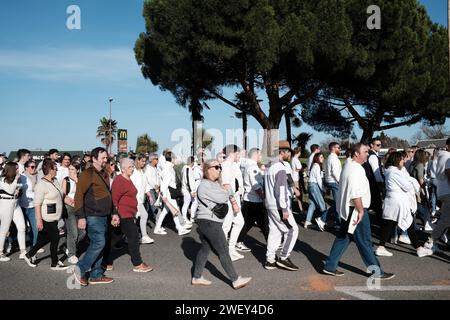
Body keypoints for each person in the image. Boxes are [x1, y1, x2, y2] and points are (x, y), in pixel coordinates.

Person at [323, 143, 395, 280]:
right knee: (365, 241)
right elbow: (355, 193)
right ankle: (376, 271)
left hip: (349, 209)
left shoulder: (348, 165)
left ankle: (329, 266)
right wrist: (361, 210)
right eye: (365, 151)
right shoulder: (356, 169)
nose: (368, 153)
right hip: (356, 209)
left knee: (343, 238)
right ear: (356, 154)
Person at [192, 159, 252, 289]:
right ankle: (235, 280)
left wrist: (226, 190)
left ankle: (196, 277)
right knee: (223, 250)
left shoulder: (214, 184)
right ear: (208, 169)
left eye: (220, 167)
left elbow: (227, 192)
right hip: (209, 222)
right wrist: (226, 190)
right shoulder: (204, 185)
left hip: (211, 222)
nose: (219, 169)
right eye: (216, 167)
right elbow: (222, 198)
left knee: (204, 249)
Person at [376, 152, 433, 258]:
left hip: (394, 201)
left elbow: (408, 181)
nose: (404, 161)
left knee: (389, 224)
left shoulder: (394, 171)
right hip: (398, 201)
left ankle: (381, 247)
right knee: (408, 222)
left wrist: (410, 181)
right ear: (396, 160)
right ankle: (419, 248)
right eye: (402, 159)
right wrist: (411, 182)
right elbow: (407, 186)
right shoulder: (394, 173)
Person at [73, 147, 114, 286]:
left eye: (106, 157)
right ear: (94, 158)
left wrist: (114, 213)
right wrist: (81, 217)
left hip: (104, 215)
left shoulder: (105, 173)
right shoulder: (87, 174)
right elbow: (78, 195)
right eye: (102, 158)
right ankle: (80, 268)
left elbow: (109, 194)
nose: (105, 160)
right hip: (92, 215)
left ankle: (96, 275)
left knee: (101, 244)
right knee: (99, 242)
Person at [109, 158, 153, 273]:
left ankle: (106, 261)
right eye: (130, 167)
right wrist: (115, 214)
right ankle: (137, 263)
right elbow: (114, 199)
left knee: (114, 238)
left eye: (133, 166)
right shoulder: (119, 180)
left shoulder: (128, 179)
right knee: (134, 237)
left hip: (129, 213)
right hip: (123, 215)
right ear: (123, 168)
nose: (132, 169)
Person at [24, 159, 69, 270]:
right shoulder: (41, 185)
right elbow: (37, 204)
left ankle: (29, 254)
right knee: (55, 238)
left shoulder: (55, 181)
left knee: (47, 237)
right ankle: (54, 263)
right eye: (55, 168)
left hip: (55, 216)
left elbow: (61, 195)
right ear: (49, 170)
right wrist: (38, 220)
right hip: (47, 216)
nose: (57, 170)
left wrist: (70, 201)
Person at [264, 140, 299, 271]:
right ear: (282, 152)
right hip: (278, 205)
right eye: (289, 151)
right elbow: (281, 190)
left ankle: (270, 260)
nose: (290, 154)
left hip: (270, 203)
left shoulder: (269, 166)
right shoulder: (280, 167)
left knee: (275, 231)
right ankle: (283, 258)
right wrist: (284, 208)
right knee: (292, 230)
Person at [238, 148, 267, 250]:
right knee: (261, 223)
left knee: (251, 223)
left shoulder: (250, 166)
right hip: (253, 200)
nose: (261, 157)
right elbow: (256, 186)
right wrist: (263, 197)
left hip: (252, 200)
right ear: (256, 155)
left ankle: (238, 240)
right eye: (260, 155)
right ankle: (237, 241)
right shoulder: (252, 167)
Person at [220, 144, 246, 261]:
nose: (239, 156)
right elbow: (226, 185)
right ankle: (225, 253)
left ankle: (231, 249)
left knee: (239, 222)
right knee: (226, 226)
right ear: (232, 153)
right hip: (228, 200)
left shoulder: (232, 165)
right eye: (238, 154)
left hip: (234, 199)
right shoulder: (226, 165)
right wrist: (234, 202)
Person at [425, 137, 450, 252]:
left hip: (442, 190)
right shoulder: (448, 157)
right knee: (445, 219)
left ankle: (434, 239)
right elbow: (449, 173)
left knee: (446, 218)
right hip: (447, 190)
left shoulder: (441, 156)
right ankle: (431, 240)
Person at [0, 162, 27, 262]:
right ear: (11, 169)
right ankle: (0, 252)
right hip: (5, 204)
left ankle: (23, 251)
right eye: (16, 168)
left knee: (22, 227)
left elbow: (17, 189)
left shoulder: (17, 178)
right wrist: (16, 180)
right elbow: (10, 190)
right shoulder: (2, 179)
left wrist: (18, 187)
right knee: (4, 229)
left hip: (15, 203)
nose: (18, 170)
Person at [62, 161, 85, 264]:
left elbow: (83, 193)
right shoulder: (65, 180)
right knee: (73, 233)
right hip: (69, 207)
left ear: (77, 170)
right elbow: (63, 195)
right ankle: (71, 254)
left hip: (79, 207)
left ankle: (70, 246)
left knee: (83, 232)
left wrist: (76, 180)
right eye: (69, 169)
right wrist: (71, 203)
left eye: (72, 169)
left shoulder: (80, 180)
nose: (70, 171)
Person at [130, 154, 154, 244]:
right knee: (144, 215)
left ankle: (127, 237)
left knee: (134, 219)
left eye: (145, 161)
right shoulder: (134, 172)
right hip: (135, 199)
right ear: (138, 161)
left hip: (140, 199)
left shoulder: (142, 172)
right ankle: (144, 236)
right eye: (142, 161)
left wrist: (149, 195)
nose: (144, 163)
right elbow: (132, 186)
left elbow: (145, 185)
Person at [305, 153, 328, 231]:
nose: (323, 158)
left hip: (311, 185)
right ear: (317, 158)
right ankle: (321, 220)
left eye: (323, 157)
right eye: (321, 157)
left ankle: (307, 222)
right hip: (314, 186)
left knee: (312, 204)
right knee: (322, 205)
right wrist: (323, 189)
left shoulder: (314, 165)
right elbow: (318, 179)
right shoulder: (316, 166)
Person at [19, 160, 39, 248]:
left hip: (33, 206)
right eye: (32, 167)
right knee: (21, 228)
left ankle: (34, 246)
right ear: (26, 168)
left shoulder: (37, 176)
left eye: (35, 167)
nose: (34, 169)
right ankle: (19, 247)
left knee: (35, 228)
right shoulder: (21, 177)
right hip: (22, 206)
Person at [324, 142, 342, 227]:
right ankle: (338, 223)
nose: (340, 149)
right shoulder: (334, 158)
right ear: (333, 148)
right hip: (334, 181)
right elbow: (335, 172)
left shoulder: (329, 158)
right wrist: (340, 181)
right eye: (339, 148)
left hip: (330, 181)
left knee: (337, 203)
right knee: (338, 204)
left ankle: (325, 219)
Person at [181, 156, 198, 224]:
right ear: (192, 162)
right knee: (186, 204)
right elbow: (188, 181)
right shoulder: (187, 169)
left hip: (187, 189)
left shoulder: (185, 168)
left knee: (188, 204)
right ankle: (184, 219)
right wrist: (191, 191)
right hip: (187, 190)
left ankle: (186, 218)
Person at [291, 147, 304, 213]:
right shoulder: (296, 159)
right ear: (298, 152)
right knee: (298, 195)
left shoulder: (293, 159)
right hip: (296, 179)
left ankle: (300, 208)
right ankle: (301, 209)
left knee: (294, 194)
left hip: (294, 177)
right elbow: (299, 168)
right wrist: (302, 169)